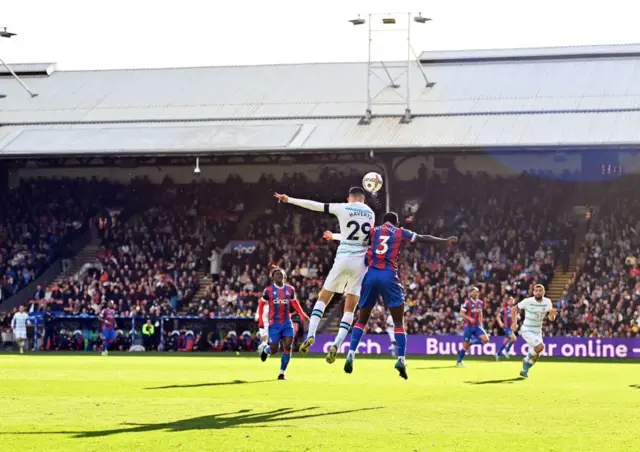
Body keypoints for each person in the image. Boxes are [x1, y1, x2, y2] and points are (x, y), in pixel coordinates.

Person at [342, 212, 457, 379]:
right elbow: (423, 238)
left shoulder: (373, 231)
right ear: (396, 223)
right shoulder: (399, 232)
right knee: (398, 321)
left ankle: (351, 354)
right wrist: (444, 241)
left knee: (361, 320)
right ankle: (401, 360)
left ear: (383, 221)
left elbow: (355, 241)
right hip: (388, 276)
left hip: (371, 275)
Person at [274, 187, 375, 363]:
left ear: (349, 198)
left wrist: (289, 199)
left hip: (343, 258)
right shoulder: (371, 213)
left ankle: (311, 334)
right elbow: (361, 238)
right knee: (350, 307)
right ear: (364, 198)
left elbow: (316, 205)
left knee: (323, 298)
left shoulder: (344, 207)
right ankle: (336, 344)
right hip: (361, 264)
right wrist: (335, 236)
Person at [258, 267, 309, 380]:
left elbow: (294, 303)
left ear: (284, 276)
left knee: (288, 346)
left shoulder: (290, 289)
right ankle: (266, 350)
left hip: (287, 323)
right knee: (274, 350)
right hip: (274, 324)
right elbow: (261, 305)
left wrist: (302, 315)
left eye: (281, 274)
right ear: (272, 277)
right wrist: (261, 321)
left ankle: (282, 373)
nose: (279, 276)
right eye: (277, 274)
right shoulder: (268, 290)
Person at [512, 284, 557, 379]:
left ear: (543, 292)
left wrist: (552, 315)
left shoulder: (547, 302)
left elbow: (551, 318)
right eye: (536, 290)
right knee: (540, 346)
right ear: (533, 292)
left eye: (540, 290)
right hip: (527, 329)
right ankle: (526, 359)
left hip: (537, 330)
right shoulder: (528, 301)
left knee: (538, 354)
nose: (538, 292)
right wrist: (514, 323)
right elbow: (514, 309)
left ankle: (525, 371)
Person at [456, 287, 489, 367]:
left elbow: (480, 313)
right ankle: (459, 362)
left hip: (477, 326)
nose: (475, 293)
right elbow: (461, 314)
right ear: (470, 293)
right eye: (473, 292)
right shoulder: (467, 303)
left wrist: (481, 324)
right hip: (468, 327)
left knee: (486, 340)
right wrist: (469, 318)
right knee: (465, 345)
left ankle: (471, 343)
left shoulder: (480, 303)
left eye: (476, 292)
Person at [496, 296, 517, 360]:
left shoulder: (514, 309)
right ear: (507, 302)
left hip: (511, 328)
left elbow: (516, 317)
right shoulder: (504, 309)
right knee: (514, 339)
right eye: (510, 300)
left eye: (512, 300)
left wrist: (516, 323)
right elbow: (498, 316)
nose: (511, 301)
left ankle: (498, 353)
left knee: (505, 342)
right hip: (506, 327)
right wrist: (500, 323)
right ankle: (507, 351)